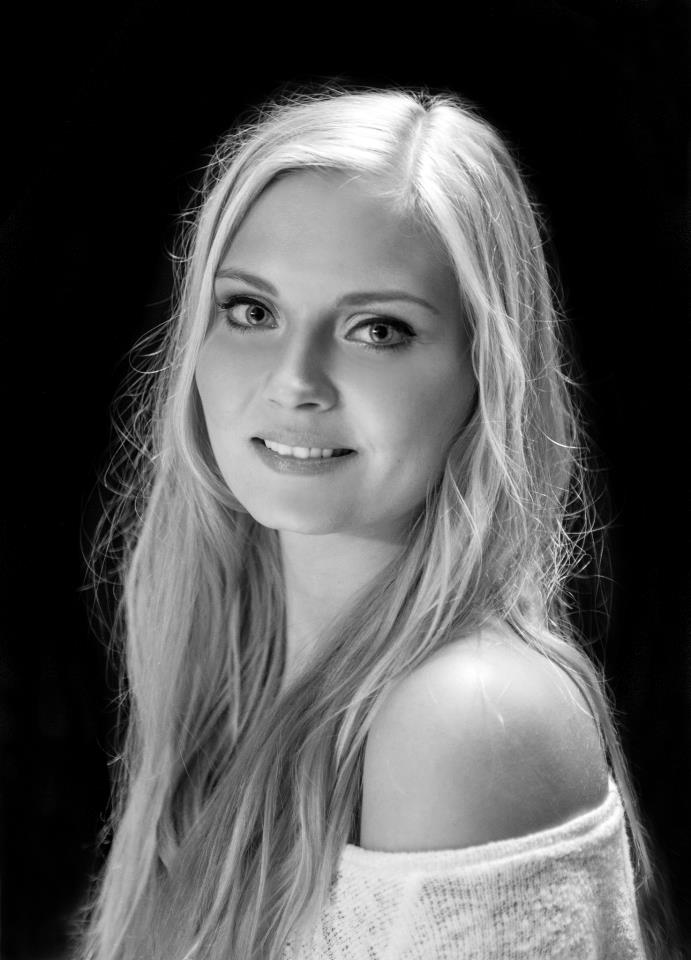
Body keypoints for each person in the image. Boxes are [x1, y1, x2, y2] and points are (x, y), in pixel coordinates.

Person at [73, 84, 677, 959]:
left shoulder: (464, 716)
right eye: (252, 311)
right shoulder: (228, 673)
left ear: (487, 371)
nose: (295, 381)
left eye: (377, 329)